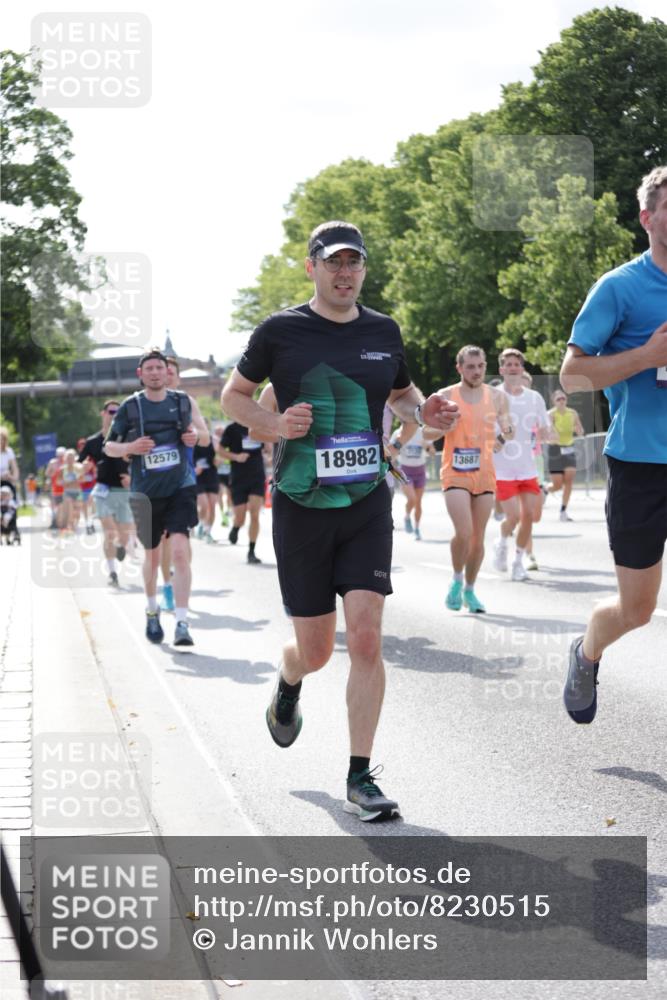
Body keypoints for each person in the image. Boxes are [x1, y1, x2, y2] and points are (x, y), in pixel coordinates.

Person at [221, 220, 459, 821]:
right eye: (333, 263)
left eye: (354, 263)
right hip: (302, 506)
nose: (345, 272)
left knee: (369, 636)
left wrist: (423, 408)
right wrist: (275, 425)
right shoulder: (280, 331)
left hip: (366, 502)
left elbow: (402, 396)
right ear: (313, 268)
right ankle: (288, 677)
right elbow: (233, 398)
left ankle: (360, 777)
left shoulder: (384, 330)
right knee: (317, 649)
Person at [560, 164, 667, 724]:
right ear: (648, 218)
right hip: (642, 464)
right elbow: (572, 375)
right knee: (637, 609)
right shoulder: (620, 287)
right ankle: (587, 650)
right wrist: (647, 358)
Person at [104, 349, 200, 646]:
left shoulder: (181, 401)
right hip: (145, 492)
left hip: (180, 487)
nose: (156, 372)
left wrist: (192, 437)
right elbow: (109, 448)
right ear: (141, 374)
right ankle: (151, 609)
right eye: (150, 369)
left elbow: (195, 433)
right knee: (153, 554)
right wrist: (131, 447)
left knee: (181, 551)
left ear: (166, 371)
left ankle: (182, 622)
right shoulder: (131, 407)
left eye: (160, 367)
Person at [427, 345, 512, 613]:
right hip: (455, 471)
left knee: (478, 539)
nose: (476, 371)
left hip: (485, 474)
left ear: (486, 366)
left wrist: (501, 437)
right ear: (459, 368)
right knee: (463, 532)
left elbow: (508, 431)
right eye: (470, 366)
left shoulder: (498, 397)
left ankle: (470, 591)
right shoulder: (445, 396)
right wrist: (443, 428)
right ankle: (456, 579)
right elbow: (425, 433)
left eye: (480, 366)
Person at [157, 356, 211, 610]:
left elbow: (206, 439)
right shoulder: (143, 403)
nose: (165, 376)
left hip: (182, 478)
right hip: (154, 482)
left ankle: (180, 580)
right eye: (160, 371)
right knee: (162, 539)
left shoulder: (187, 402)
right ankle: (167, 584)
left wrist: (193, 433)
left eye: (170, 372)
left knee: (178, 540)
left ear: (177, 378)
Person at [492, 348, 550, 581]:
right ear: (501, 369)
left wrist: (547, 433)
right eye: (509, 364)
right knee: (513, 517)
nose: (513, 367)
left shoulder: (534, 398)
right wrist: (496, 442)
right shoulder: (492, 396)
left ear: (522, 368)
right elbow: (484, 430)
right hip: (502, 469)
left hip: (527, 467)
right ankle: (502, 540)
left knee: (528, 516)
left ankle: (518, 562)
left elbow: (544, 429)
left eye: (517, 364)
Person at [78, 401, 134, 587]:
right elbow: (79, 464)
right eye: (111, 411)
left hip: (123, 491)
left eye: (118, 412)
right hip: (103, 489)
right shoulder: (93, 441)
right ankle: (112, 572)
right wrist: (83, 467)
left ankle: (120, 547)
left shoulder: (127, 438)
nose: (114, 414)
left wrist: (131, 475)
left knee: (123, 537)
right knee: (109, 531)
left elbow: (140, 461)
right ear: (103, 414)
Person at [219, 420, 266, 564]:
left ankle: (251, 551)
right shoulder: (232, 429)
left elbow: (267, 445)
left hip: (257, 475)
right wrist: (236, 457)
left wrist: (270, 455)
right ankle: (235, 527)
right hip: (239, 477)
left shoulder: (258, 425)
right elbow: (219, 450)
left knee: (255, 514)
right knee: (240, 516)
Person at [387, 421, 434, 540]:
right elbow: (391, 453)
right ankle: (407, 516)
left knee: (418, 503)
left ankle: (417, 529)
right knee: (412, 499)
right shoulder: (398, 433)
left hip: (420, 471)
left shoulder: (423, 433)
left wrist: (427, 447)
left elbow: (432, 453)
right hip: (405, 471)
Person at [546, 390, 584, 521]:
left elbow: (580, 429)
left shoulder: (572, 413)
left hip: (569, 448)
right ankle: (545, 490)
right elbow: (549, 429)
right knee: (557, 485)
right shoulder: (550, 414)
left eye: (563, 398)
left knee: (569, 480)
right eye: (558, 399)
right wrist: (552, 432)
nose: (561, 401)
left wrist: (579, 430)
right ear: (554, 402)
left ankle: (563, 511)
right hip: (555, 449)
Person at [0, 427, 20, 500]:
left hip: (7, 481)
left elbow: (15, 468)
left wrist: (13, 478)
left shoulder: (9, 451)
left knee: (10, 494)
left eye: (2, 439)